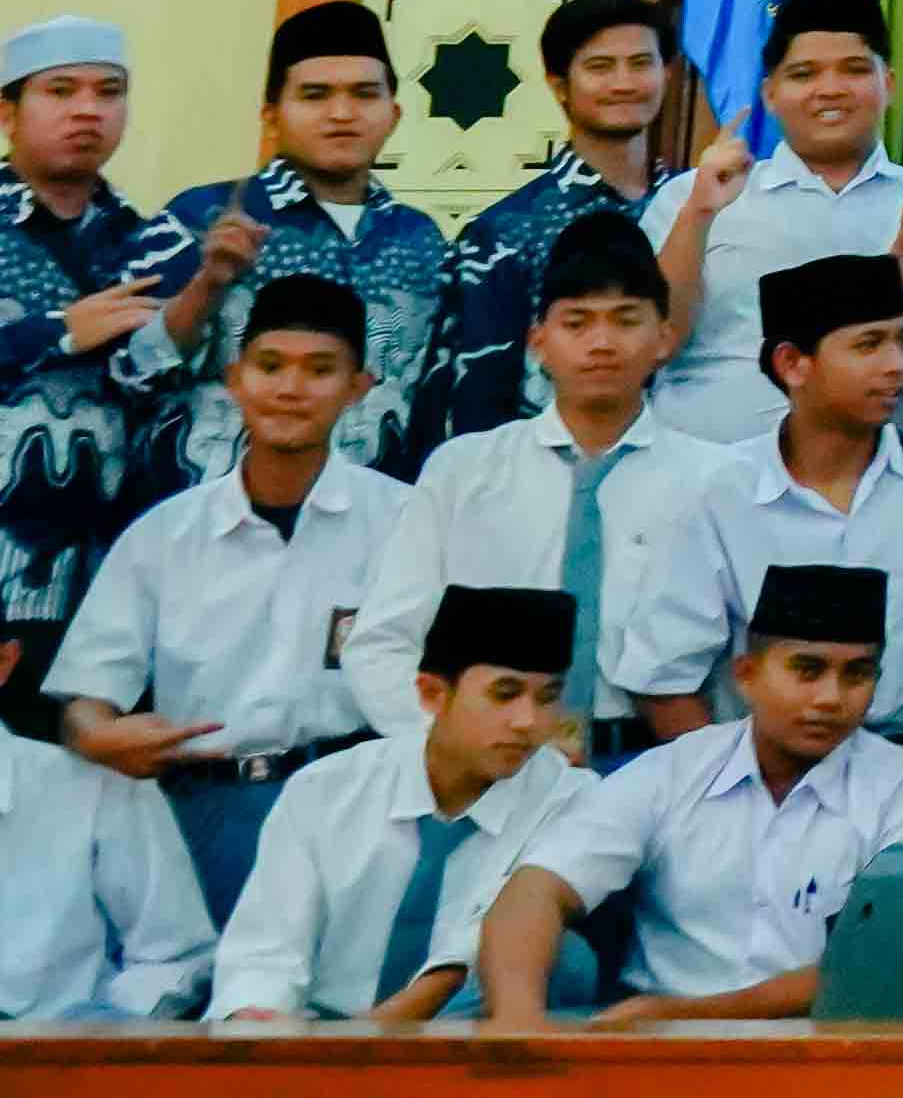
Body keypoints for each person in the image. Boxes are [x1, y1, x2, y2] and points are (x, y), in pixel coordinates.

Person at [55, 268, 407, 909]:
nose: (290, 389)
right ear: (234, 377)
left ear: (359, 387)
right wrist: (98, 735)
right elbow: (88, 698)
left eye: (320, 370)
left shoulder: (407, 524)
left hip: (357, 803)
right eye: (270, 366)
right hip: (198, 809)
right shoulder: (164, 536)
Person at [476, 561, 903, 1025]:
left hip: (827, 1049)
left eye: (857, 674)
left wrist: (683, 1016)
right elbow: (537, 889)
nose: (831, 697)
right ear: (746, 675)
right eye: (808, 670)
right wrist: (518, 1022)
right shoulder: (671, 772)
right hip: (651, 1048)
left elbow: (889, 960)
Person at [346, 209, 723, 760]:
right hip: (487, 764)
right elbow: (382, 642)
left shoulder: (715, 481)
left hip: (654, 762)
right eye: (577, 323)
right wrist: (451, 749)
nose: (601, 343)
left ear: (664, 337)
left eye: (625, 321)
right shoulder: (464, 471)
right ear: (538, 342)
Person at [619, 253, 903, 782]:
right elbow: (664, 681)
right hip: (778, 777)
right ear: (793, 364)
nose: (896, 364)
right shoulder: (719, 495)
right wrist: (741, 796)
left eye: (902, 340)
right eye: (869, 345)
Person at [205, 582, 590, 1022]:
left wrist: (371, 1038)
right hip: (316, 1033)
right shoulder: (326, 789)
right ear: (431, 693)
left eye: (548, 698)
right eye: (504, 694)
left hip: (473, 1037)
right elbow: (265, 950)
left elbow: (478, 947)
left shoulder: (572, 801)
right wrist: (257, 1022)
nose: (528, 721)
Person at [154, 1, 445, 481]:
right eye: (315, 95)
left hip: (378, 510)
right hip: (219, 505)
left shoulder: (420, 239)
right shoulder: (200, 218)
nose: (342, 114)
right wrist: (207, 286)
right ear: (272, 116)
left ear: (394, 114)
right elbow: (132, 369)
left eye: (364, 94)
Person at [645, 0, 903, 449]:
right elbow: (656, 342)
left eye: (854, 70)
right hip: (707, 466)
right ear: (770, 94)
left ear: (888, 83)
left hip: (874, 475)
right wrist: (700, 213)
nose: (830, 89)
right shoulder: (693, 196)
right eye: (804, 74)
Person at [421, 0, 675, 458]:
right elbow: (476, 390)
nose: (624, 83)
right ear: (559, 86)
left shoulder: (699, 206)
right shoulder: (505, 231)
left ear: (667, 74)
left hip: (686, 471)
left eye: (641, 63)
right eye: (600, 67)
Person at [2, 12, 180, 662]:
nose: (88, 109)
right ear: (7, 112)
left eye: (109, 92)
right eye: (61, 90)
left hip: (104, 576)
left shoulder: (152, 242)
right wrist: (55, 332)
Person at [0, 662, 209, 1023]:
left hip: (58, 1043)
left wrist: (96, 1028)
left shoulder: (98, 786)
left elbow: (174, 958)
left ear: (4, 660)